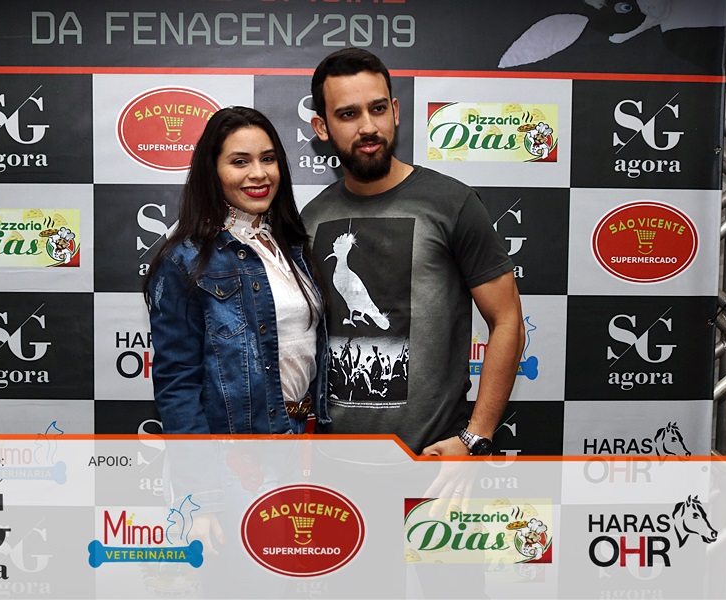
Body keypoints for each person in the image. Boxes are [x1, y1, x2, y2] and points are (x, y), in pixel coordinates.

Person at [301, 48, 525, 456]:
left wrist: (475, 437)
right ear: (322, 127)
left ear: (396, 111)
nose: (369, 126)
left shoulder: (452, 203)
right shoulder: (312, 218)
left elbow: (507, 319)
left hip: (432, 463)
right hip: (331, 462)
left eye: (378, 109)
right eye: (348, 114)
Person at [145, 106, 328, 435]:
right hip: (238, 449)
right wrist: (200, 465)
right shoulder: (185, 259)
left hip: (307, 436)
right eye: (240, 162)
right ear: (213, 171)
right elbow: (177, 383)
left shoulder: (294, 248)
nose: (259, 173)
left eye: (268, 159)